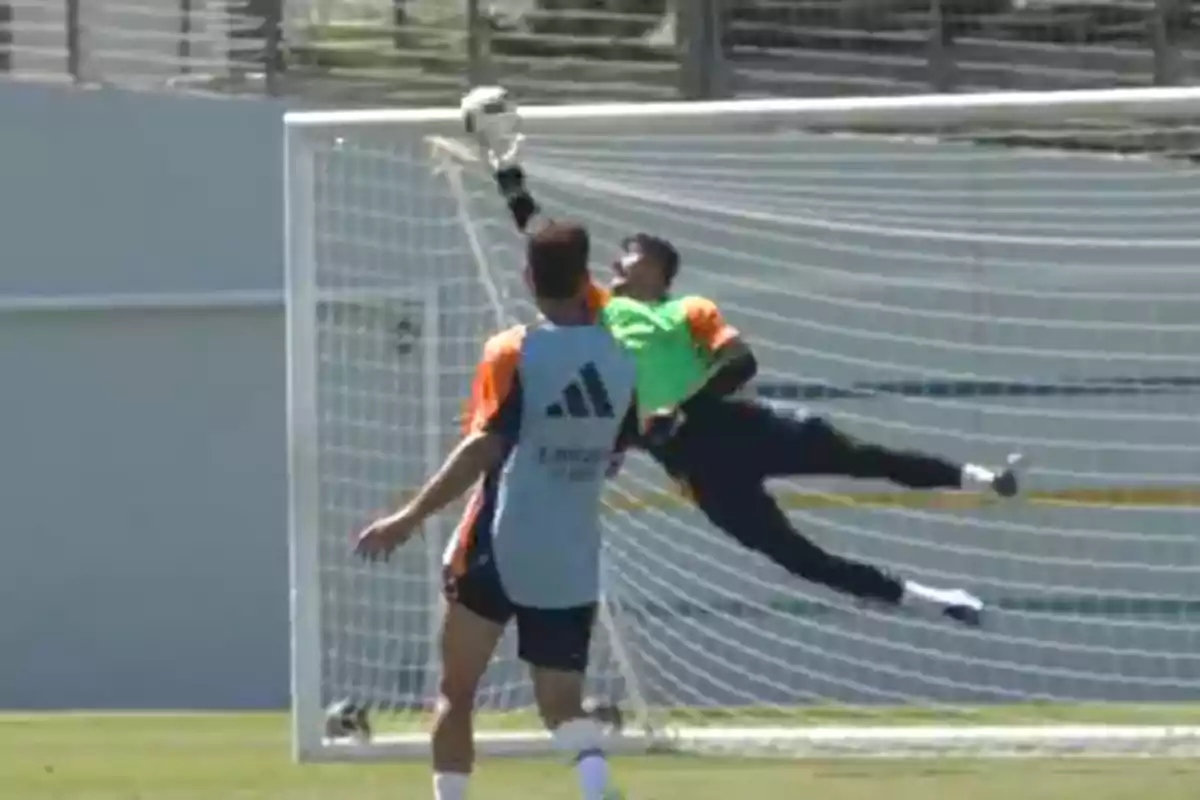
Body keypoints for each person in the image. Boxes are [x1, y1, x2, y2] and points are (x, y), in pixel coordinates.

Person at [466, 86, 1021, 627]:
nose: (615, 263)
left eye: (629, 255)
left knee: (868, 458)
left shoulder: (689, 311)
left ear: (658, 269)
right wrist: (506, 173)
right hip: (694, 465)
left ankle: (980, 478)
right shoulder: (603, 308)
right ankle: (933, 601)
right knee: (794, 557)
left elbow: (740, 364)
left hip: (745, 427)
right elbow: (545, 238)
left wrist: (678, 409)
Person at [356, 221, 635, 800]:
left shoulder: (514, 350)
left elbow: (484, 446)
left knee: (457, 691)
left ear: (529, 278)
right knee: (561, 706)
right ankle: (597, 785)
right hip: (569, 552)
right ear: (587, 279)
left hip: (496, 543)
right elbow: (615, 455)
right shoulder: (622, 360)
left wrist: (407, 518)